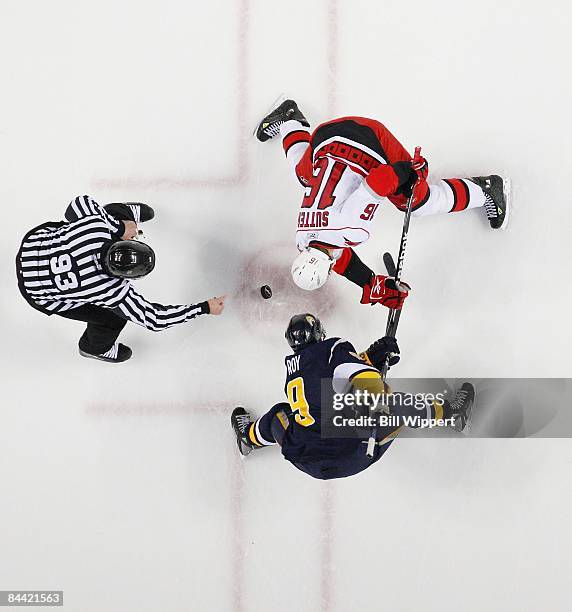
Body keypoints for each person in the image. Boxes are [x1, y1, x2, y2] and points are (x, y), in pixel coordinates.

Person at [255, 98, 510, 307]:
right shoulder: (303, 240)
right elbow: (338, 255)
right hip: (326, 137)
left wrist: (410, 173)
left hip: (369, 139)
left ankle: (486, 189)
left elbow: (378, 182)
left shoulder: (352, 229)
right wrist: (369, 283)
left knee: (418, 202)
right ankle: (290, 119)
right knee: (304, 175)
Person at [231, 313, 475, 480]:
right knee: (397, 406)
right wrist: (375, 373)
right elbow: (362, 384)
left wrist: (369, 357)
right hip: (353, 454)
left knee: (279, 415)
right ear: (319, 332)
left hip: (306, 459)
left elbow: (329, 376)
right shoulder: (333, 347)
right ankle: (453, 413)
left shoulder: (293, 368)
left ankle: (249, 438)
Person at [16, 195, 226, 363]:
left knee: (98, 216)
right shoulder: (112, 291)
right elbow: (154, 319)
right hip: (38, 293)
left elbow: (77, 204)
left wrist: (119, 227)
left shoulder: (95, 229)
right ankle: (95, 348)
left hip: (33, 245)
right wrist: (204, 307)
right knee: (114, 318)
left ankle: (123, 218)